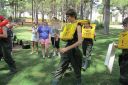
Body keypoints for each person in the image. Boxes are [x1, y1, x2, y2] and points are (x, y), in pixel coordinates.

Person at [51, 9, 82, 85]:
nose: (67, 18)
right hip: (67, 48)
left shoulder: (78, 25)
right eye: (67, 16)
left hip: (74, 50)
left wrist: (66, 48)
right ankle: (54, 82)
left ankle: (79, 82)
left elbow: (80, 41)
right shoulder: (69, 25)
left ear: (73, 16)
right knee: (61, 67)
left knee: (77, 68)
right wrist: (59, 36)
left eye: (68, 16)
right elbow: (67, 38)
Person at [115, 17, 128, 85]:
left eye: (126, 26)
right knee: (122, 66)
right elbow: (122, 44)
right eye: (124, 26)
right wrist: (117, 45)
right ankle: (123, 79)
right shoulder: (124, 34)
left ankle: (124, 80)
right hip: (124, 54)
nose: (124, 28)